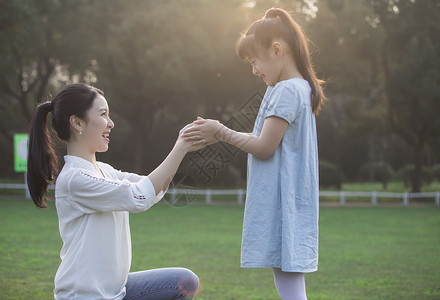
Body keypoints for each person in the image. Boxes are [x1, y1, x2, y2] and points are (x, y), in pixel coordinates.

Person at [182, 7, 325, 300]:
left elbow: (263, 147)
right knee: (288, 278)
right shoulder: (295, 88)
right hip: (289, 197)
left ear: (277, 50)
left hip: (284, 198)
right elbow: (264, 140)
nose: (254, 70)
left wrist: (220, 131)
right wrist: (217, 133)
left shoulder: (287, 90)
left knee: (289, 279)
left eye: (254, 60)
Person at [27, 83, 202, 300]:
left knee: (184, 281)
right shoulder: (75, 179)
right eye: (103, 114)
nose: (111, 123)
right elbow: (140, 197)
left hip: (115, 291)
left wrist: (183, 144)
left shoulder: (105, 171)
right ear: (77, 122)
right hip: (85, 295)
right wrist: (181, 146)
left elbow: (153, 190)